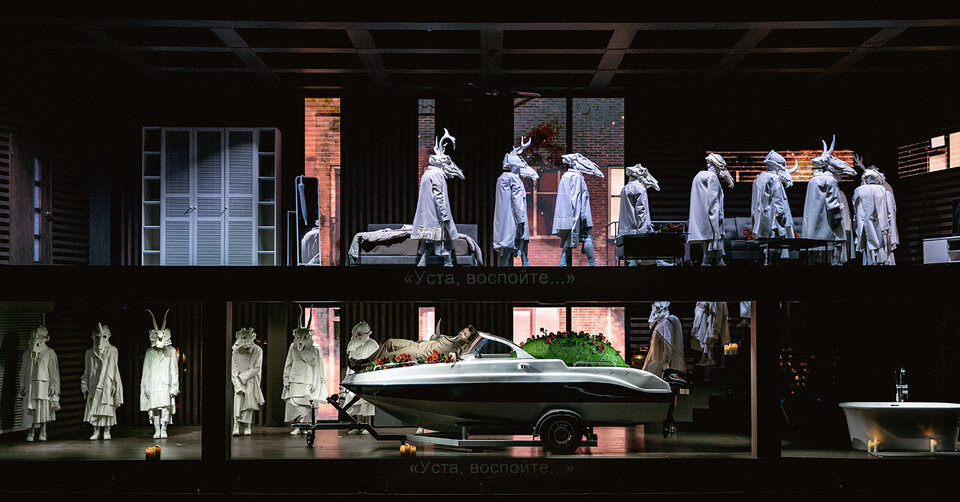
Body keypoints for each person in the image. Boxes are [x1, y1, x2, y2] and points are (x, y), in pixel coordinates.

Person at [802, 135, 858, 265]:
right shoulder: (830, 180)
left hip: (813, 227)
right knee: (831, 259)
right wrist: (838, 225)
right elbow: (833, 205)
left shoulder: (813, 181)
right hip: (828, 229)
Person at [412, 128, 463, 267]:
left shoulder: (427, 173)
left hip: (429, 215)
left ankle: (425, 261)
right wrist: (444, 214)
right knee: (444, 239)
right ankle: (447, 262)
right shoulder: (437, 174)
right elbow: (438, 196)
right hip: (436, 215)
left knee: (430, 240)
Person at [348, 325, 477, 371]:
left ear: (467, 339)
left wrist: (457, 352)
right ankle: (365, 360)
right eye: (463, 331)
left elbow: (459, 352)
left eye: (465, 334)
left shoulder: (459, 346)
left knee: (387, 356)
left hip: (418, 352)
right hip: (416, 344)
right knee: (390, 342)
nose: (462, 333)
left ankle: (362, 366)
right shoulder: (450, 337)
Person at [553, 153, 604, 266]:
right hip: (578, 213)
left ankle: (562, 261)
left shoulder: (567, 176)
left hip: (571, 214)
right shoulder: (576, 177)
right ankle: (592, 263)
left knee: (571, 237)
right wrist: (582, 214)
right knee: (587, 237)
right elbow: (575, 197)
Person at [493, 137, 537, 267]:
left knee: (507, 250)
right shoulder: (513, 179)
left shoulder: (502, 178)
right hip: (514, 219)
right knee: (520, 242)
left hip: (505, 220)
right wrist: (521, 219)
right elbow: (517, 201)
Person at [282, 308, 325, 435]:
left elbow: (318, 366)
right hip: (295, 378)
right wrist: (286, 379)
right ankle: (297, 425)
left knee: (308, 403)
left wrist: (316, 382)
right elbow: (288, 364)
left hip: (308, 378)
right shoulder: (293, 347)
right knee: (294, 403)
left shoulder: (315, 348)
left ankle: (305, 426)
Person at [140, 309, 179, 439]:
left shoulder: (171, 351)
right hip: (153, 383)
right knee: (155, 407)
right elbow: (146, 371)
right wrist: (145, 386)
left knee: (166, 407)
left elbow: (174, 370)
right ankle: (157, 429)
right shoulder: (149, 352)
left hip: (166, 383)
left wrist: (174, 386)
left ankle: (164, 429)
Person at [688, 153, 733, 266]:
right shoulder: (712, 177)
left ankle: (714, 260)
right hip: (712, 215)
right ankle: (713, 261)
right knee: (714, 238)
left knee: (708, 240)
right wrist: (715, 217)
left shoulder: (699, 175)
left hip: (702, 215)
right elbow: (713, 201)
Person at [82, 323, 123, 440]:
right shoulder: (89, 352)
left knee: (107, 406)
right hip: (94, 382)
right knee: (94, 406)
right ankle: (96, 430)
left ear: (108, 336)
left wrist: (114, 383)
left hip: (107, 382)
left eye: (104, 336)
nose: (100, 339)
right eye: (97, 336)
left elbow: (114, 368)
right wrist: (84, 383)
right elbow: (87, 369)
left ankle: (107, 430)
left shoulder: (113, 350)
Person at [20, 323, 59, 442]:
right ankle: (31, 431)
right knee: (31, 407)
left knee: (43, 407)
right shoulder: (27, 353)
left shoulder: (50, 353)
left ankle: (43, 430)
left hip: (43, 384)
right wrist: (22, 384)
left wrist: (53, 383)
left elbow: (53, 370)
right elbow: (24, 370)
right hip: (31, 384)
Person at [616, 163, 659, 266]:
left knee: (630, 258)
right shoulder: (640, 188)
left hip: (626, 230)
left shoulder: (625, 188)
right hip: (636, 231)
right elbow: (641, 211)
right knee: (637, 259)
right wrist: (644, 231)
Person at [341, 322, 380, 434]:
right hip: (354, 377)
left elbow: (375, 361)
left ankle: (368, 425)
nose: (356, 337)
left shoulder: (372, 344)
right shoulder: (353, 345)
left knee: (366, 403)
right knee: (354, 401)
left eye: (359, 334)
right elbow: (350, 363)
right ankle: (358, 425)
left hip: (367, 377)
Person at [852, 162, 892, 266]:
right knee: (879, 246)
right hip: (878, 224)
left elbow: (855, 211)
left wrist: (857, 225)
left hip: (866, 224)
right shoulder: (882, 190)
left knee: (870, 249)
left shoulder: (858, 190)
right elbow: (887, 212)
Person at [231, 327, 264, 436]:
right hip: (239, 379)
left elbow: (257, 367)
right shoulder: (236, 351)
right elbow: (234, 369)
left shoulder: (258, 350)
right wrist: (237, 382)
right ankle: (236, 425)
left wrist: (244, 377)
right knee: (238, 402)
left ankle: (247, 426)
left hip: (250, 379)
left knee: (249, 403)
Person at [642, 302, 685, 377]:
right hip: (658, 356)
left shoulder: (667, 322)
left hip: (664, 358)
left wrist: (667, 355)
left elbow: (668, 341)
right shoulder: (662, 322)